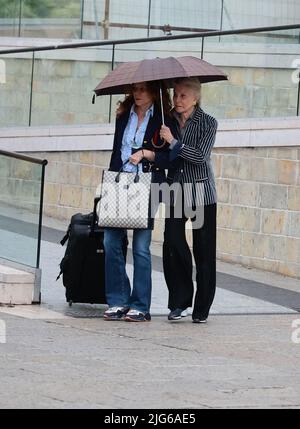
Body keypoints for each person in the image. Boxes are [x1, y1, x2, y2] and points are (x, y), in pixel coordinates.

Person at [103, 81, 172, 322]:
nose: (138, 93)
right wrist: (109, 183)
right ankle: (118, 300)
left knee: (141, 248)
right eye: (135, 89)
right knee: (110, 241)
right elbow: (115, 151)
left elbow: (170, 158)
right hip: (119, 182)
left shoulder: (164, 118)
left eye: (143, 89)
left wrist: (146, 153)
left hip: (147, 184)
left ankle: (140, 305)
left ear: (154, 92)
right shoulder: (124, 115)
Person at [159, 77, 218, 324]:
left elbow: (200, 156)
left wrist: (173, 142)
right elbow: (162, 155)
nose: (178, 100)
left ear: (196, 98)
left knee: (203, 251)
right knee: (172, 243)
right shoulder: (167, 120)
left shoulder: (208, 123)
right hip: (174, 189)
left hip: (201, 192)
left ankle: (201, 309)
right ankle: (180, 301)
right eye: (176, 95)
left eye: (183, 95)